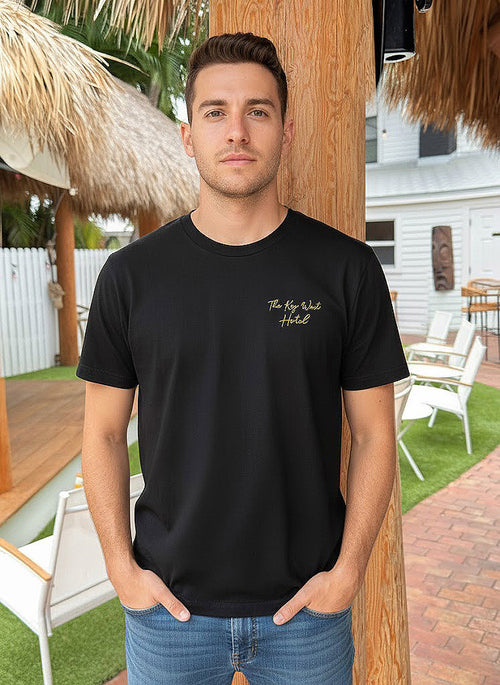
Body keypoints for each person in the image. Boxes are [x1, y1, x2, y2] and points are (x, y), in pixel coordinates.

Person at [76, 31, 409, 685]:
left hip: (307, 618)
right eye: (215, 112)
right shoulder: (130, 278)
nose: (237, 131)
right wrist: (120, 566)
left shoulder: (346, 270)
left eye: (258, 110)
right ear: (187, 135)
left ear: (285, 131)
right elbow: (103, 433)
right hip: (168, 616)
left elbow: (375, 434)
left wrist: (347, 573)